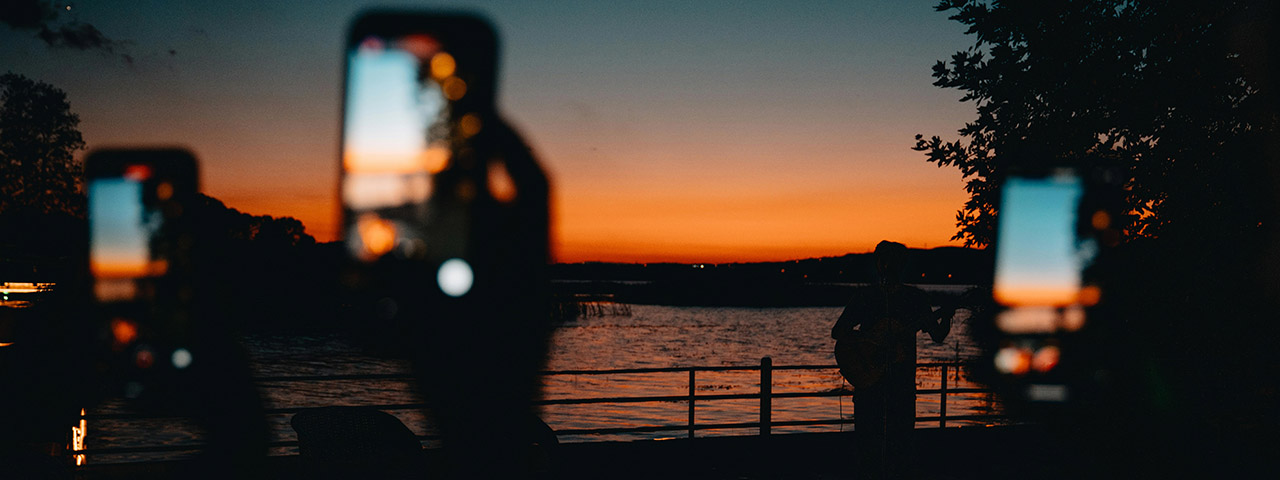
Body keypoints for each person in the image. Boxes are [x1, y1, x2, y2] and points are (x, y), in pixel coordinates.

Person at [832, 240, 953, 479]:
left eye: (894, 261)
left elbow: (937, 336)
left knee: (901, 443)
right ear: (879, 264)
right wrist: (870, 339)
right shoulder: (865, 296)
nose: (888, 266)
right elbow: (838, 332)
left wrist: (947, 317)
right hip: (869, 382)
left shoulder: (915, 298)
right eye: (884, 260)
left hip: (902, 384)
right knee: (868, 443)